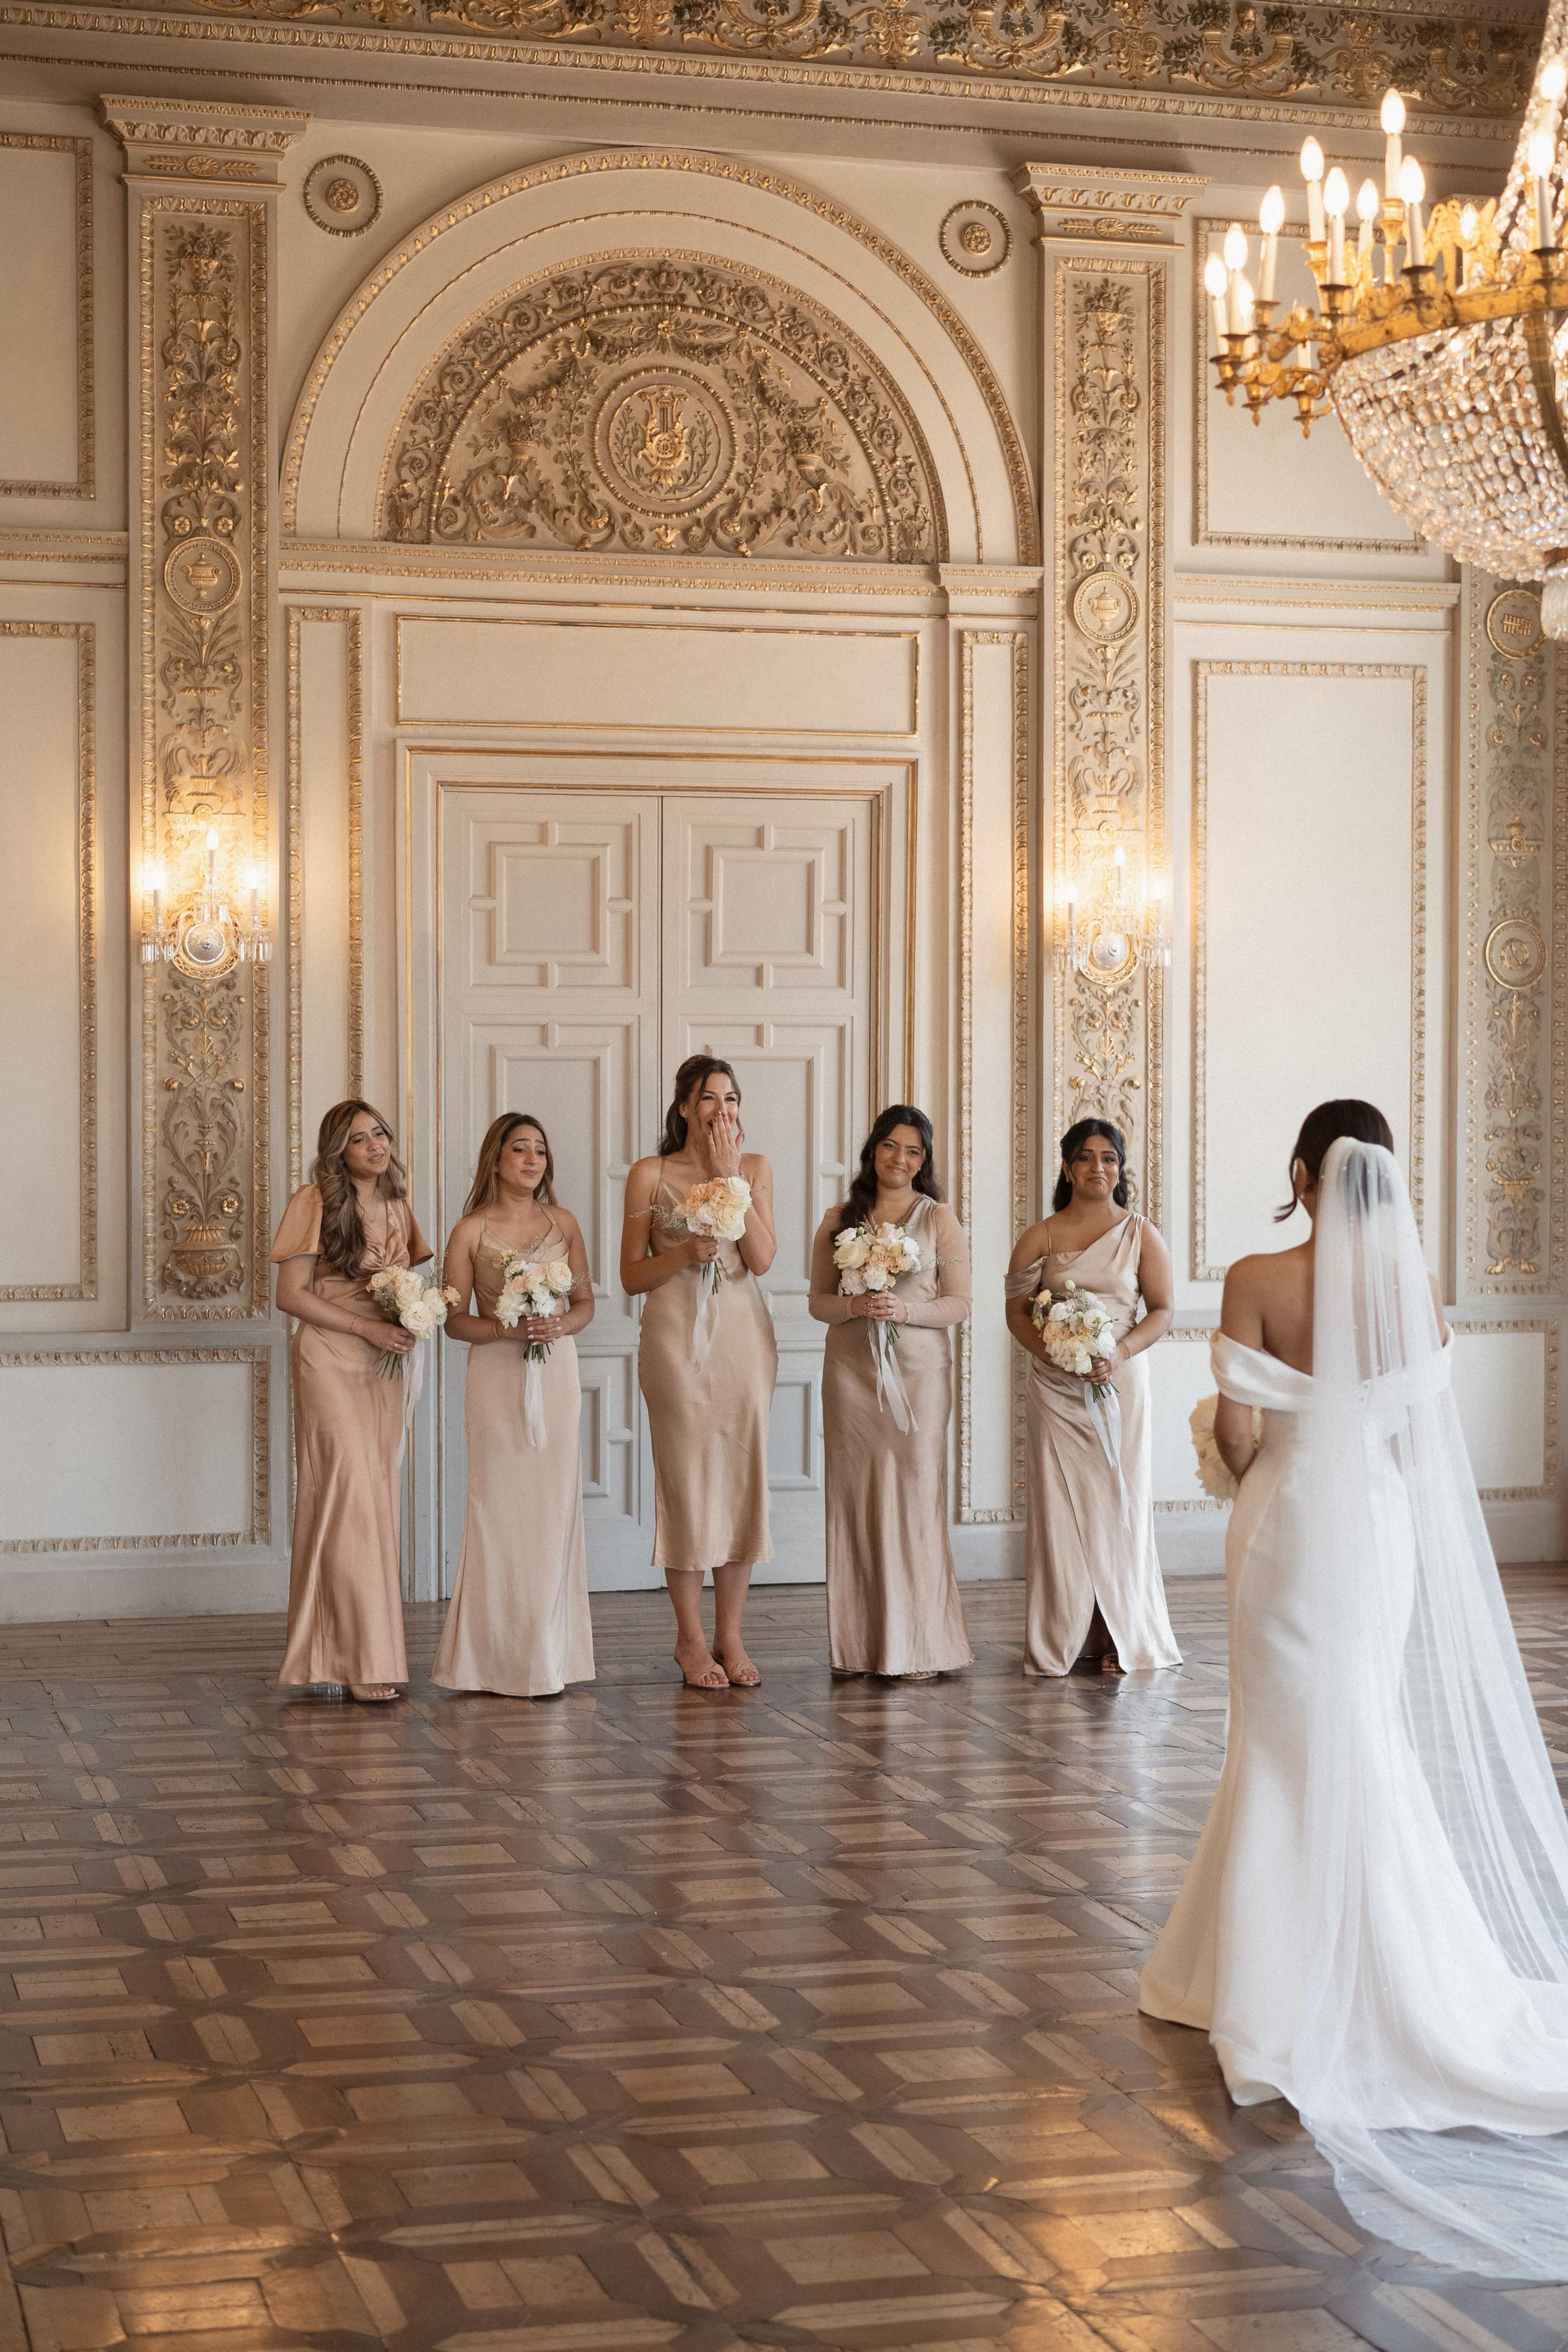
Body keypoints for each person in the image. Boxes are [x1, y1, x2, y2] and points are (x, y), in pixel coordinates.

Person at [1140, 1099, 1568, 2278]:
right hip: (1376, 1530)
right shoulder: (1414, 1296)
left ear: (1301, 1173)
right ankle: (1377, 1968)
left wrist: (1249, 1462)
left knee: (1280, 1741)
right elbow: (1419, 1451)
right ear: (1384, 1178)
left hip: (1288, 1525)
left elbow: (1233, 1436)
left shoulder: (1261, 1275)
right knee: (1363, 1734)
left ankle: (1277, 1989)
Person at [620, 1057, 777, 1691]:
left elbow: (763, 1259)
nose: (721, 1109)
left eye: (730, 1097)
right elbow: (631, 1275)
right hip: (674, 1337)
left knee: (742, 1476)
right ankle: (689, 1638)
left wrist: (727, 1176)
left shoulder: (757, 1168)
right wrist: (684, 1252)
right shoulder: (649, 1175)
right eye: (708, 1098)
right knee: (685, 1481)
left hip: (742, 1336)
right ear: (684, 1107)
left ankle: (730, 1633)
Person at [270, 1100, 433, 1702]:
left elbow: (405, 1287)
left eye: (380, 1133)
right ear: (338, 1149)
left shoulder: (396, 1206)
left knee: (374, 1501)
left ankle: (352, 1653)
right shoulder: (313, 1201)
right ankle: (359, 1659)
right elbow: (291, 1295)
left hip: (382, 1364)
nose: (374, 1145)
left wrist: (412, 1318)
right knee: (348, 1497)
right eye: (360, 1138)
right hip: (329, 1358)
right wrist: (364, 1328)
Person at [1005, 1118, 1179, 1675]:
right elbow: (1015, 1313)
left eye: (1108, 1158)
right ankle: (1068, 1635)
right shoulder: (1041, 1236)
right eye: (1085, 1158)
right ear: (1067, 1167)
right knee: (1061, 1511)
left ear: (1120, 1168)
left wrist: (1120, 1353)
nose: (1097, 1167)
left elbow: (1163, 1310)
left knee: (1119, 1508)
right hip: (1057, 1391)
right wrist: (1053, 1352)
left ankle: (1120, 1635)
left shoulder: (1141, 1234)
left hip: (1121, 1386)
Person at [432, 1113, 595, 1699]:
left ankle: (549, 1657)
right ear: (496, 1159)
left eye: (541, 1152)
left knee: (552, 1512)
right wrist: (507, 1330)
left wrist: (557, 1324)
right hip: (497, 1375)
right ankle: (488, 1661)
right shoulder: (469, 1230)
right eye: (520, 1149)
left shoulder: (566, 1222)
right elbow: (453, 1321)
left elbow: (585, 1305)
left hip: (555, 1374)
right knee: (497, 1512)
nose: (532, 1160)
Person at [809, 1106, 973, 1681]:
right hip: (852, 1376)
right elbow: (818, 1303)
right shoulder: (838, 1218)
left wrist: (907, 1309)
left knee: (913, 1500)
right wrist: (856, 1305)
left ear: (923, 1162)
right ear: (872, 1150)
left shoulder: (938, 1220)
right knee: (856, 1500)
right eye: (890, 1146)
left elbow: (959, 1303)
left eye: (913, 1151)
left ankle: (921, 1645)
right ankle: (860, 1645)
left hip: (919, 1377)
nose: (899, 1159)